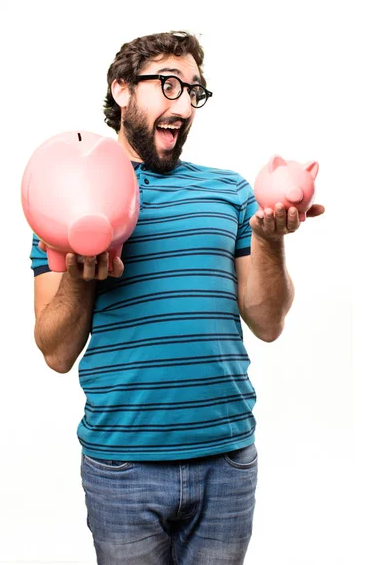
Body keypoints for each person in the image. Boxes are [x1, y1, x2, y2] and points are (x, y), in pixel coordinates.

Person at [28, 31, 325, 565]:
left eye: (195, 92)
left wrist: (269, 239)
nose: (184, 105)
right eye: (168, 86)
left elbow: (268, 321)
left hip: (227, 462)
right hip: (123, 469)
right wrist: (79, 272)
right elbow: (55, 352)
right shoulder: (66, 199)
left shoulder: (230, 191)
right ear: (121, 90)